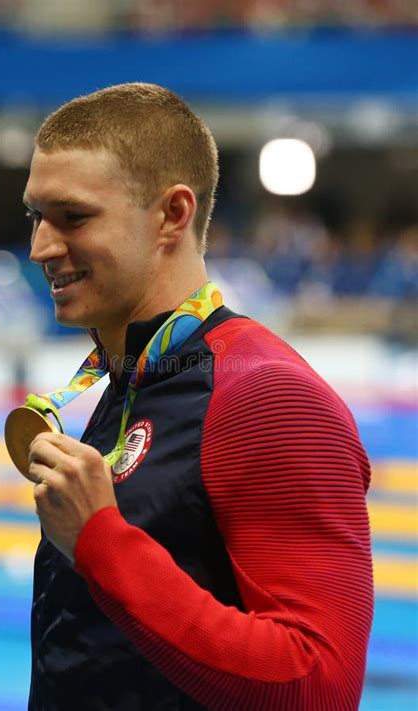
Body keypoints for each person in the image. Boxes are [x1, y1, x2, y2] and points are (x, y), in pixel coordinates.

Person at [23, 82, 373, 711]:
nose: (40, 247)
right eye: (36, 217)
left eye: (72, 217)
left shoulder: (265, 396)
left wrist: (102, 541)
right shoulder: (138, 376)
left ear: (172, 215)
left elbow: (319, 682)